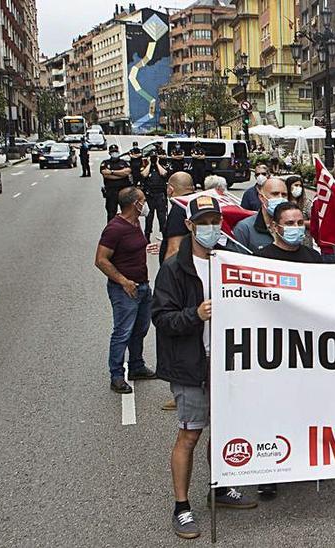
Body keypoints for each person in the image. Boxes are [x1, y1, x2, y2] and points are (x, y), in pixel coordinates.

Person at [154, 195, 259, 539]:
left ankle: (220, 486)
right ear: (189, 226)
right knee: (190, 434)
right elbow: (162, 318)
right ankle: (181, 507)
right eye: (203, 222)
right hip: (191, 366)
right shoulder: (173, 268)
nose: (211, 228)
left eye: (215, 221)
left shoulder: (230, 261)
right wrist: (194, 315)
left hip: (228, 364)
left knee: (225, 429)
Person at [94, 187, 157, 393]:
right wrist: (123, 281)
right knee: (122, 332)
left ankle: (137, 366)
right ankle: (117, 375)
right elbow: (101, 260)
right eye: (143, 200)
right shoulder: (115, 228)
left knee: (140, 329)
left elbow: (131, 249)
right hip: (125, 290)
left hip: (143, 285)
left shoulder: (136, 222)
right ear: (134, 204)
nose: (146, 204)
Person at [231, 176, 289, 253]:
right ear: (261, 197)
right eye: (275, 194)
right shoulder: (244, 229)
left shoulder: (293, 226)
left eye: (284, 195)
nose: (280, 198)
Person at [256, 203, 323, 261]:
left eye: (300, 223)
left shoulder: (314, 257)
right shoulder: (261, 258)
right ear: (275, 226)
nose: (296, 227)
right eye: (290, 223)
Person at [160, 172, 199, 263]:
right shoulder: (196, 203)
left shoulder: (178, 209)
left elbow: (174, 248)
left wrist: (166, 274)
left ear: (170, 189)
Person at [100, 144, 133, 221]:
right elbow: (105, 174)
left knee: (126, 213)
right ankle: (111, 231)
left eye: (115, 151)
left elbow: (127, 172)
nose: (114, 153)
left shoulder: (124, 162)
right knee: (111, 213)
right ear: (109, 153)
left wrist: (111, 172)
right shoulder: (105, 163)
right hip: (111, 192)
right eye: (112, 152)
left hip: (123, 191)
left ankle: (125, 231)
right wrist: (120, 175)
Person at [142, 149, 169, 239]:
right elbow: (144, 174)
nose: (153, 158)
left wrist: (157, 163)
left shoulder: (162, 165)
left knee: (162, 217)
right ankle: (147, 237)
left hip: (160, 195)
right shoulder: (145, 166)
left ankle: (165, 237)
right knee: (149, 217)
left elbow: (164, 173)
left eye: (155, 157)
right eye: (152, 157)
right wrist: (149, 163)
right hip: (149, 195)